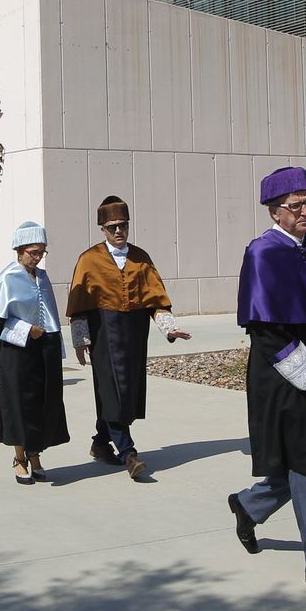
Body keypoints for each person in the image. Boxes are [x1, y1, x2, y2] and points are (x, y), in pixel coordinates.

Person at [226, 167, 306, 601]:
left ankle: (248, 505)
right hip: (283, 378)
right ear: (274, 211)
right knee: (305, 466)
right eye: (295, 205)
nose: (304, 212)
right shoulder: (262, 253)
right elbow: (266, 332)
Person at [65, 195, 190, 478]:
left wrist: (169, 327)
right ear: (102, 229)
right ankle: (128, 453)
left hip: (134, 334)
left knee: (126, 391)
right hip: (103, 333)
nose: (119, 231)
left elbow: (155, 299)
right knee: (112, 391)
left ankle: (100, 442)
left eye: (123, 225)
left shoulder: (141, 258)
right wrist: (80, 341)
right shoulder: (88, 260)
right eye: (112, 227)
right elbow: (78, 305)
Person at [0, 222, 69, 484]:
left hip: (44, 350)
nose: (38, 257)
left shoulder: (42, 277)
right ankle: (19, 458)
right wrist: (25, 329)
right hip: (17, 353)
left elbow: (51, 315)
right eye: (33, 252)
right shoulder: (8, 278)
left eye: (42, 252)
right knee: (19, 405)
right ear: (20, 251)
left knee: (44, 403)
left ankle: (36, 455)